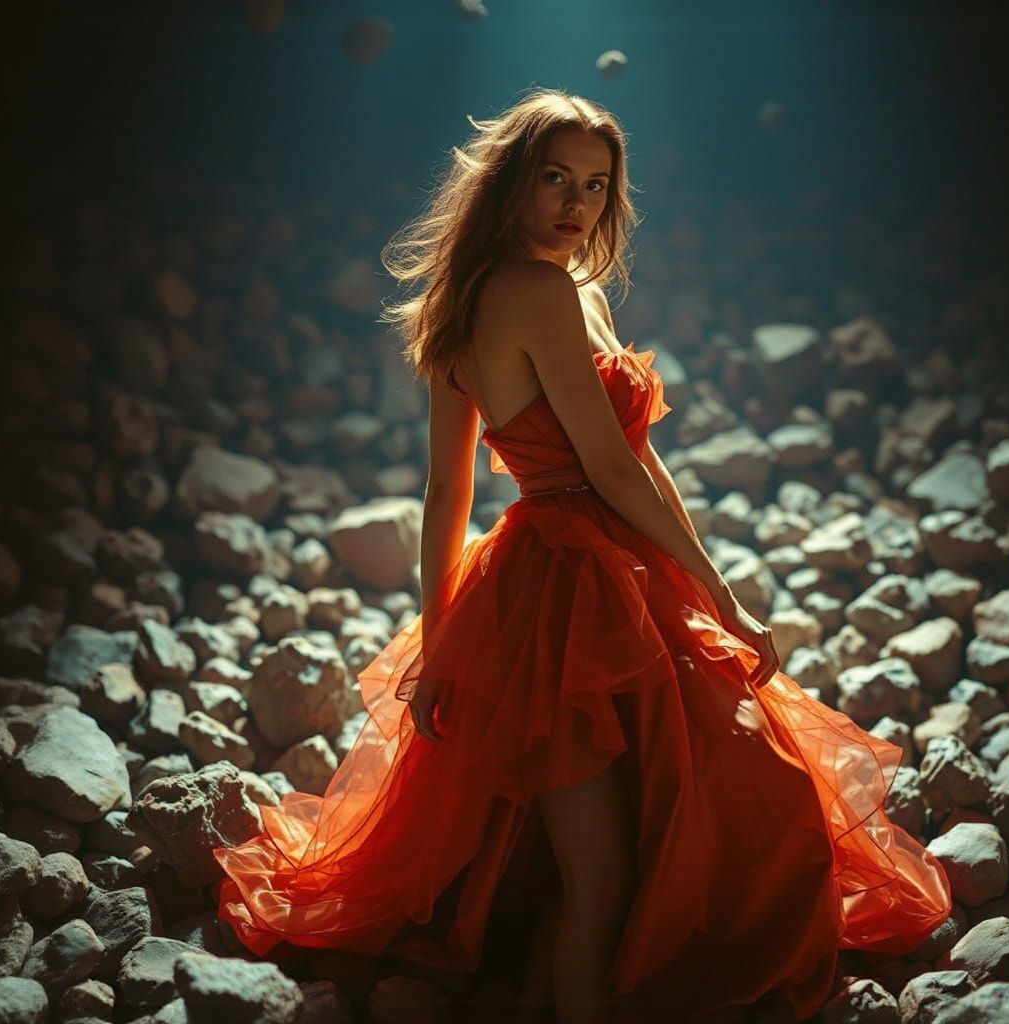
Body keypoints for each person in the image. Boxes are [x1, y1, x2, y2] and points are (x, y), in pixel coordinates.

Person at [214, 88, 953, 1024]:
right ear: (511, 184)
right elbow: (603, 464)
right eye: (555, 178)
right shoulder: (537, 291)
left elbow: (472, 491)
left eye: (596, 186)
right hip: (578, 586)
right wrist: (720, 595)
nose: (576, 203)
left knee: (614, 852)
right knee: (623, 863)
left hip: (574, 577)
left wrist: (450, 641)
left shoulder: (486, 300)